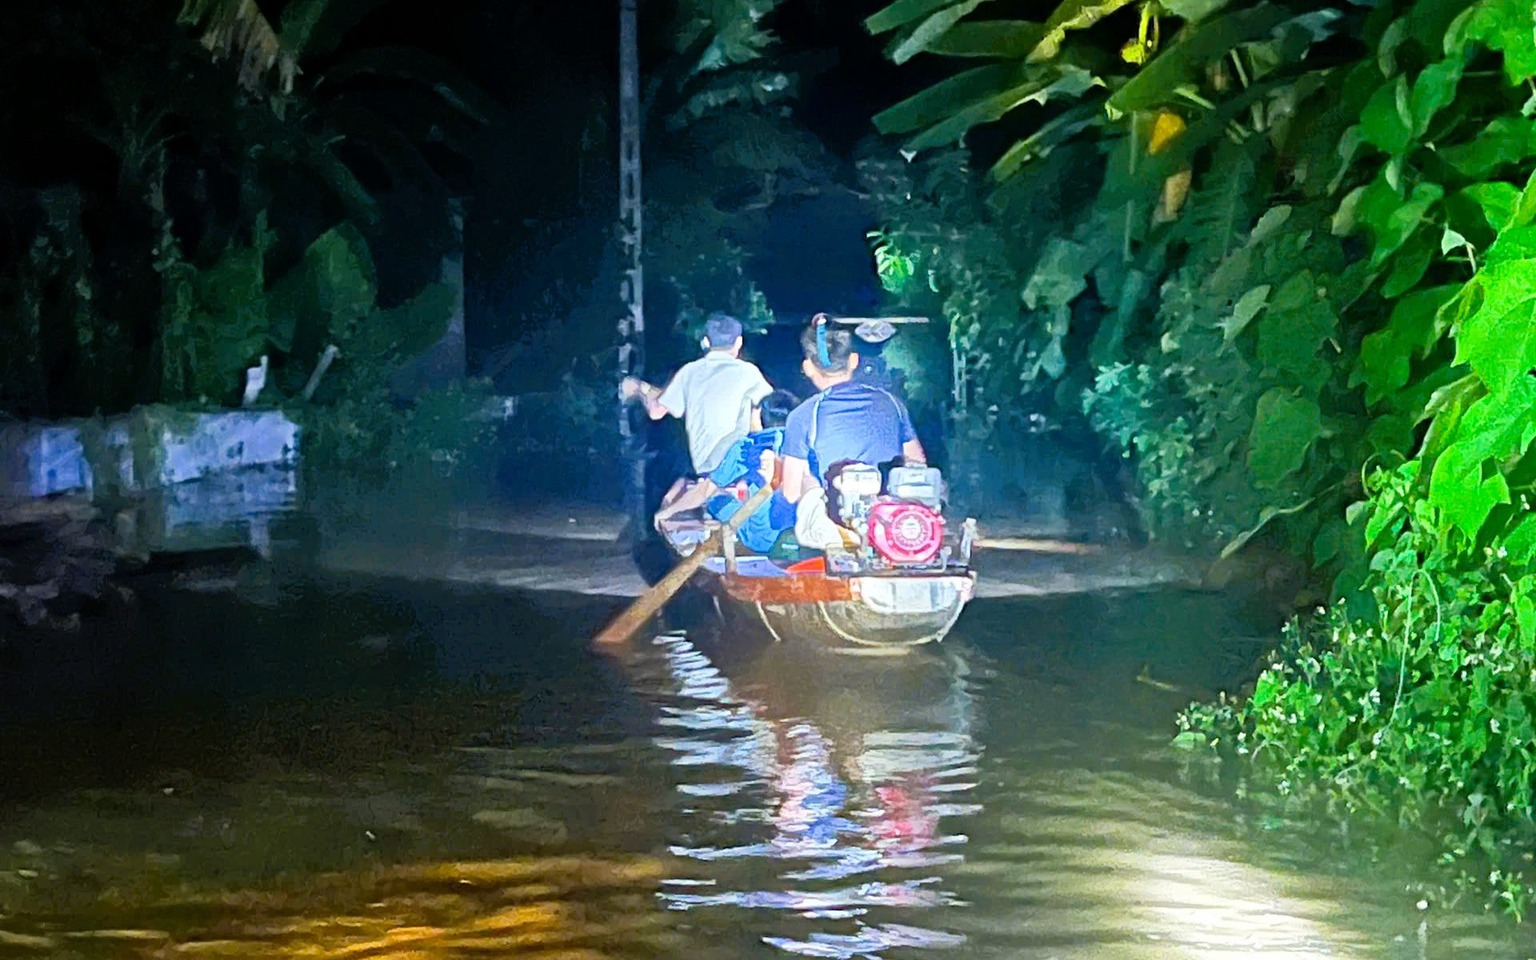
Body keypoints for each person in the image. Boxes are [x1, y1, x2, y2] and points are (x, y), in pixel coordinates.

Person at [779, 314, 926, 508]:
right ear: (854, 360)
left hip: (832, 522)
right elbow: (917, 465)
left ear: (807, 367)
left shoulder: (805, 414)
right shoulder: (892, 403)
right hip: (887, 515)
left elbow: (791, 493)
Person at [621, 311, 774, 476]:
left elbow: (656, 411)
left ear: (706, 342)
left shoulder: (690, 372)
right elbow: (764, 413)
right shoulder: (750, 373)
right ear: (739, 342)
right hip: (739, 464)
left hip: (704, 467)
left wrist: (640, 388)